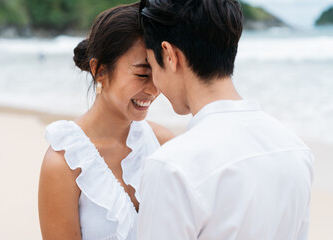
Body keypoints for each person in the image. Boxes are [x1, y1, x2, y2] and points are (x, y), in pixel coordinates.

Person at [137, 0, 314, 239]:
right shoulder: (296, 150)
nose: (154, 83)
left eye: (150, 64)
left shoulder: (172, 166)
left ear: (169, 55)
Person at [38, 3, 174, 240]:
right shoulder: (63, 164)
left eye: (158, 72)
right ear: (99, 70)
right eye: (142, 73)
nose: (154, 88)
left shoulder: (165, 144)